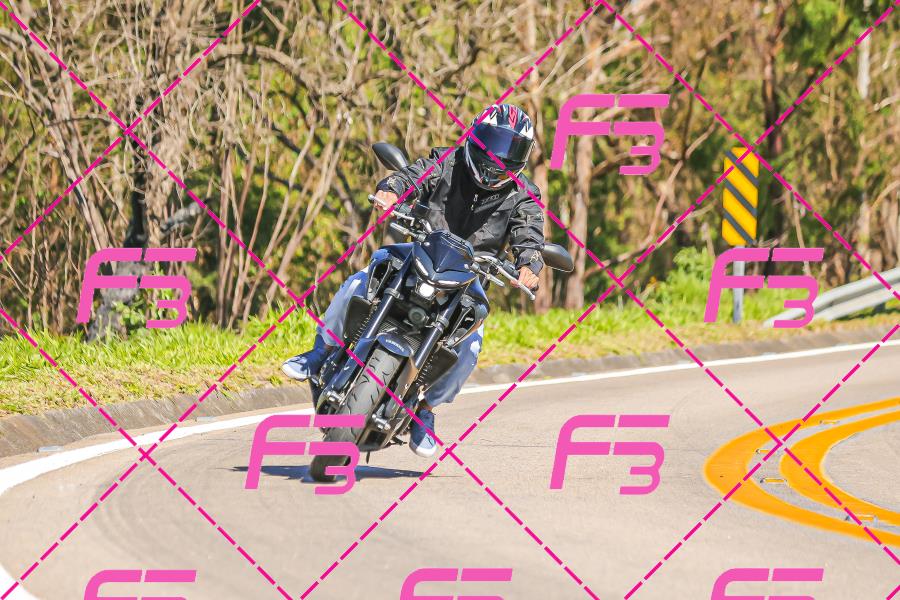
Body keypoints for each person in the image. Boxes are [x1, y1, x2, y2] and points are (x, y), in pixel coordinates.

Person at [282, 103, 545, 458]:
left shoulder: (523, 194)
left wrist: (529, 263)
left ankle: (425, 409)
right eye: (493, 145)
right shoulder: (448, 162)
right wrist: (392, 190)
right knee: (360, 282)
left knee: (470, 346)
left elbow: (529, 233)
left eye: (509, 152)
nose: (497, 160)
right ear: (475, 138)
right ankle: (321, 352)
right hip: (421, 251)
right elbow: (413, 176)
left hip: (469, 277)